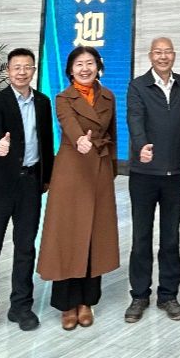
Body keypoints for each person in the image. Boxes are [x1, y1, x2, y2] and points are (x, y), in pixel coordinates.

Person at [0, 48, 54, 341]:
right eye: (16, 67)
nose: (21, 72)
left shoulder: (42, 102)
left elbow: (46, 140)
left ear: (33, 71)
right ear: (8, 70)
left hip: (30, 184)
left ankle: (21, 306)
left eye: (27, 67)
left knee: (25, 248)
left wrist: (47, 177)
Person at [36, 46, 120, 330]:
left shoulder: (108, 96)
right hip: (72, 171)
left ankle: (87, 301)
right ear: (70, 70)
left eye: (90, 63)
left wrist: (111, 168)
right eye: (79, 64)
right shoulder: (63, 97)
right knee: (68, 234)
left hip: (99, 170)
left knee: (95, 235)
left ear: (98, 67)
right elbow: (68, 123)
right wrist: (80, 139)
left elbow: (112, 134)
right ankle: (66, 304)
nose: (85, 69)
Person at [124, 37, 180, 323]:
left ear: (174, 55)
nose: (163, 56)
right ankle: (139, 295)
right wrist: (141, 145)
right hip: (144, 174)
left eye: (167, 52)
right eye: (158, 52)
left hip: (175, 174)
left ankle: (168, 295)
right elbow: (134, 118)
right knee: (141, 237)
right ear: (150, 56)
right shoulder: (138, 86)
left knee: (171, 237)